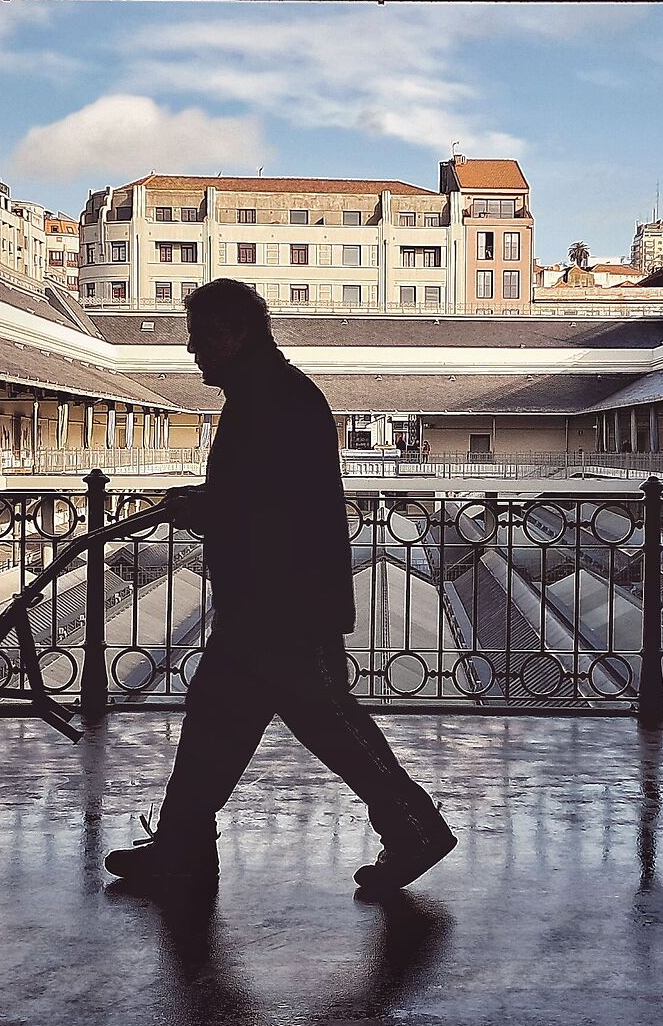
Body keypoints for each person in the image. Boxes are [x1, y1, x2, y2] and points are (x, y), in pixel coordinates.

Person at [106, 279, 455, 898]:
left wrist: (203, 507)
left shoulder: (271, 400)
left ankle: (416, 827)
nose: (193, 349)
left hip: (284, 603)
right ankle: (183, 845)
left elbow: (267, 505)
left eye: (201, 335)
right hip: (273, 601)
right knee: (220, 719)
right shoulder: (272, 393)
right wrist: (207, 503)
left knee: (326, 722)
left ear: (237, 333)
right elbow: (262, 496)